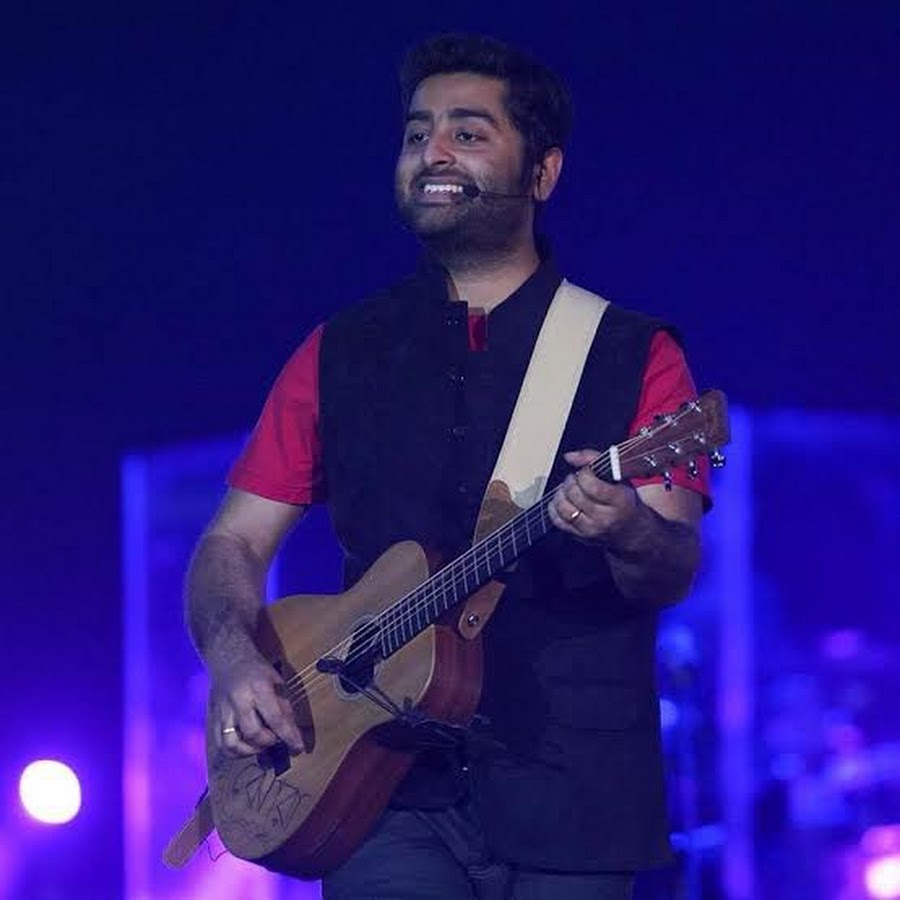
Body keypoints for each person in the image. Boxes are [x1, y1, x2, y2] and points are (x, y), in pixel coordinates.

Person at [185, 33, 711, 900]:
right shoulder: (337, 351)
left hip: (574, 792)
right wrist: (235, 660)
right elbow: (231, 543)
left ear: (543, 173)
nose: (432, 152)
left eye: (468, 133)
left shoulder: (633, 352)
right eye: (416, 133)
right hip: (375, 791)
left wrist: (628, 531)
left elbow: (671, 566)